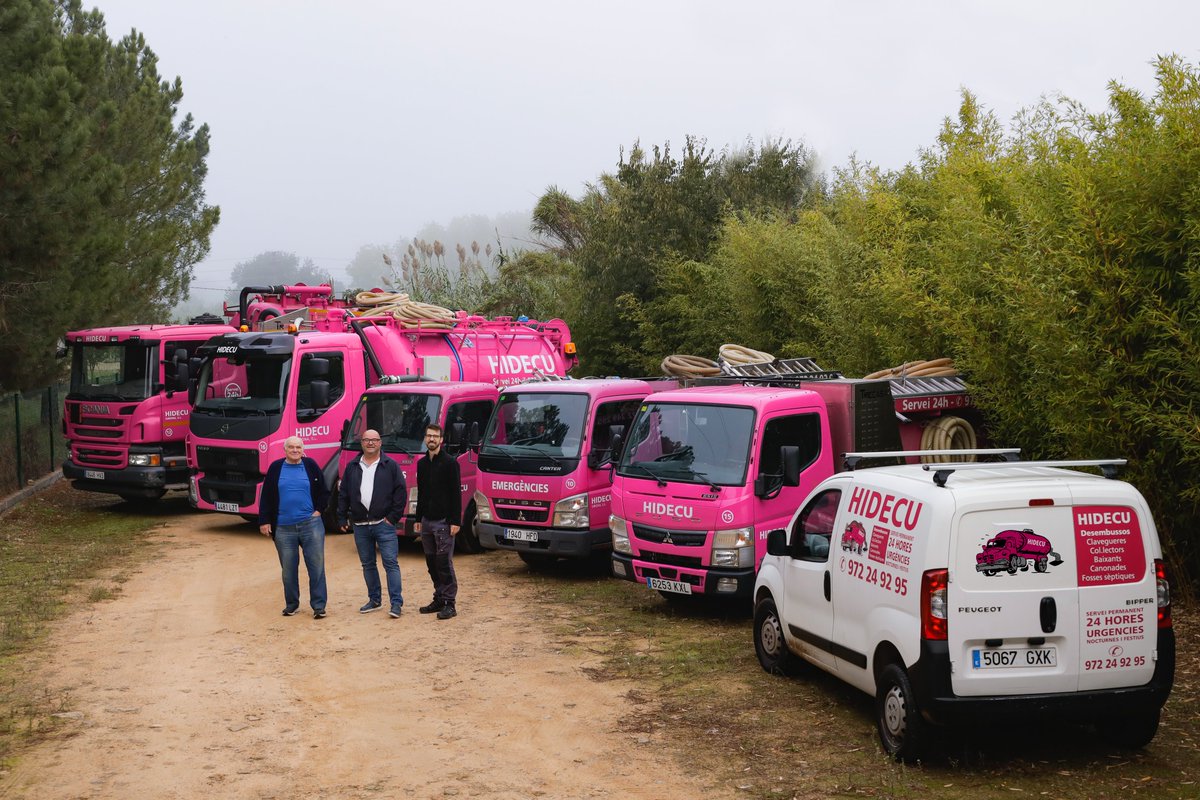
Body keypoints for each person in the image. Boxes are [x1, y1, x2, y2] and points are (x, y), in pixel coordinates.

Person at [338, 428, 407, 618]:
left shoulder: (390, 465)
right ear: (361, 443)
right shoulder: (352, 466)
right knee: (368, 564)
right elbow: (343, 493)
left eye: (374, 440)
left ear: (380, 443)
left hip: (383, 524)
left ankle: (396, 604)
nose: (370, 443)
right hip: (360, 525)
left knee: (390, 563)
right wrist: (342, 517)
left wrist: (392, 518)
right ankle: (375, 599)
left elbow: (401, 493)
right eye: (366, 440)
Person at [258, 436, 330, 619]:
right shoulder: (275, 468)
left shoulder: (310, 465)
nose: (295, 450)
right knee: (288, 570)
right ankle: (292, 604)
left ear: (303, 449)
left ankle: (319, 606)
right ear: (285, 449)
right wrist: (264, 521)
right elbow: (266, 496)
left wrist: (319, 511)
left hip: (310, 524)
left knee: (316, 567)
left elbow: (324, 490)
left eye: (298, 447)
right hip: (283, 527)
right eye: (291, 447)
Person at [414, 423, 461, 620]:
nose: (431, 439)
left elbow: (455, 494)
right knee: (431, 563)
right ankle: (439, 598)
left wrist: (455, 521)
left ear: (441, 440)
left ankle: (450, 603)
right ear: (425, 439)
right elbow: (422, 493)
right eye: (428, 436)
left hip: (444, 521)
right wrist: (418, 518)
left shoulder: (451, 463)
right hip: (426, 521)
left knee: (443, 563)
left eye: (435, 436)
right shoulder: (422, 464)